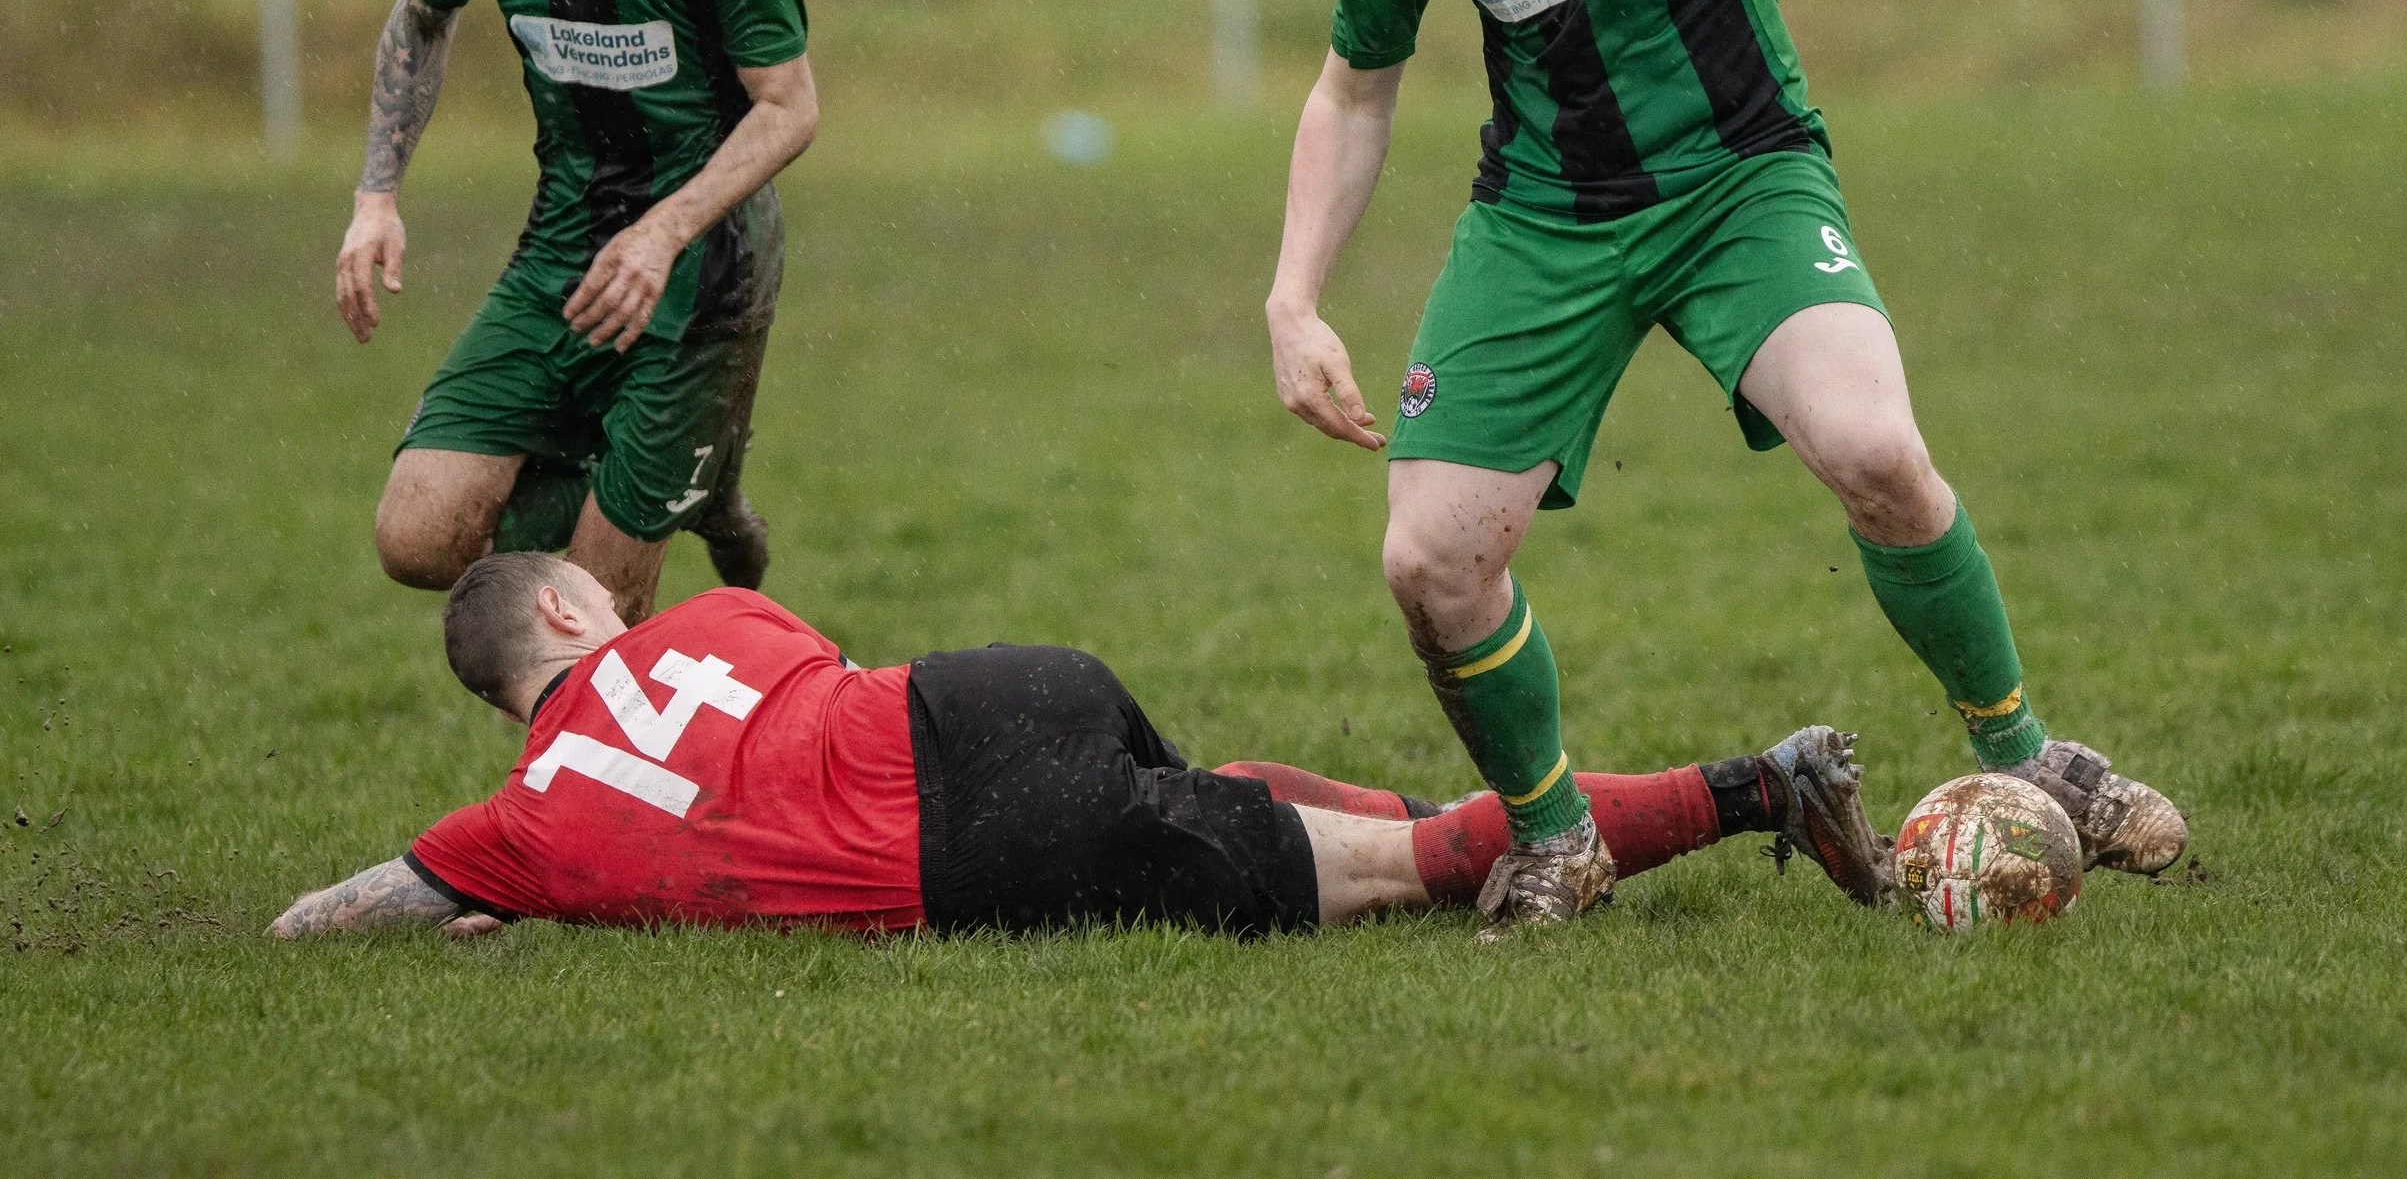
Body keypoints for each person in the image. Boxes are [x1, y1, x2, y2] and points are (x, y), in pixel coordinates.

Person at [1264, 0, 2184, 931]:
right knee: (1430, 558)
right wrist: (1294, 296)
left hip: (1741, 178)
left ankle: (2033, 754)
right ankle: (1557, 837)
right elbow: (1354, 87)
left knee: (1875, 448)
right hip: (1545, 221)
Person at [266, 554, 1891, 940]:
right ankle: (1699, 790)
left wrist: (495, 895)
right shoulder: (706, 615)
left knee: (1410, 876)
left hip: (985, 838)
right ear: (571, 600)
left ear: (506, 697)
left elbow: (339, 914)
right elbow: (779, 711)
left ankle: (1761, 784)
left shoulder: (517, 825)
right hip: (998, 694)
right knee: (1223, 800)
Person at [333, 0, 817, 625]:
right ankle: (692, 481)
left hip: (706, 265)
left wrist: (663, 230)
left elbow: (790, 106)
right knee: (416, 536)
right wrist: (376, 195)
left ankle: (688, 486)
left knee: (593, 611)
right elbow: (421, 20)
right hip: (561, 245)